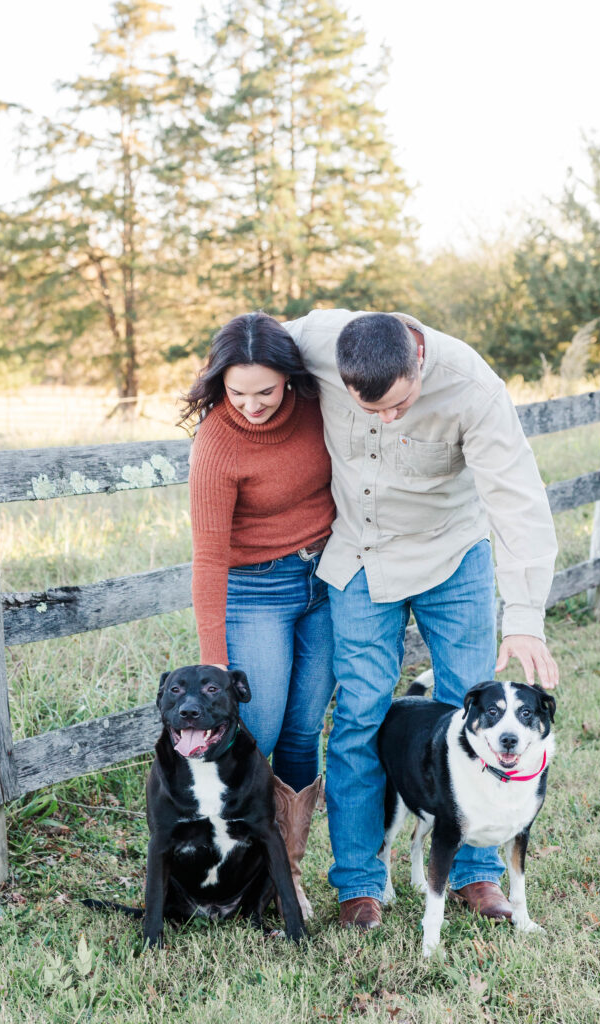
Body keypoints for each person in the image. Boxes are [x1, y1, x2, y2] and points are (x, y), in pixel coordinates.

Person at [282, 309, 559, 930]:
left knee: (471, 718)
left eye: (400, 406)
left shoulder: (472, 387)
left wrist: (523, 616)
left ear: (418, 359)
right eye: (369, 409)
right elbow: (253, 348)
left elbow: (517, 501)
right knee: (359, 720)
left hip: (450, 556)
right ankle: (359, 882)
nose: (387, 419)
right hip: (359, 556)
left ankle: (475, 873)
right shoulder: (318, 340)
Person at [183, 311, 336, 916]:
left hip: (328, 577)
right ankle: (224, 863)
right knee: (259, 730)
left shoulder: (321, 403)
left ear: (290, 378)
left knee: (304, 728)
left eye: (265, 391)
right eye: (235, 391)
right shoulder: (218, 442)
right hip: (256, 589)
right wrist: (213, 661)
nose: (251, 405)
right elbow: (208, 558)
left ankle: (285, 875)